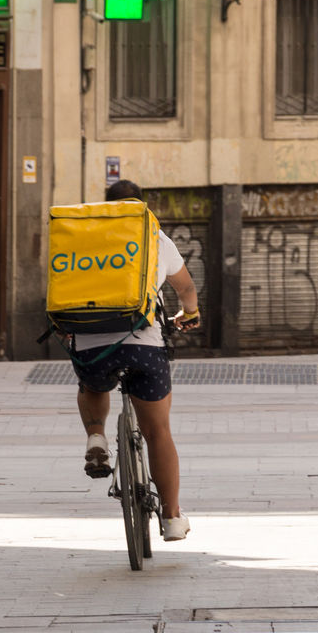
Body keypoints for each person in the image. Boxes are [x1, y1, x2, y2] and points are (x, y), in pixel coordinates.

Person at [70, 179, 201, 542]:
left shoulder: (81, 236)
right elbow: (186, 288)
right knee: (158, 432)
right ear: (142, 206)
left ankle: (96, 436)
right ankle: (172, 519)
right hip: (145, 345)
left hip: (90, 344)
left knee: (93, 385)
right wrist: (190, 313)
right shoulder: (155, 237)